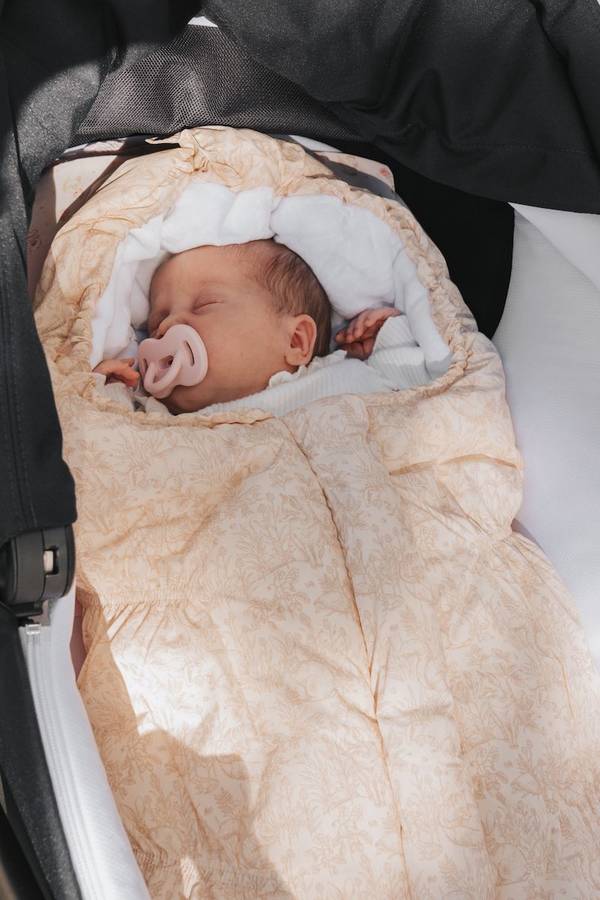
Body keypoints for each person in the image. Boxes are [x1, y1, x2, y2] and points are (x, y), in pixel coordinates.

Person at [94, 237, 423, 416]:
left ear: (295, 341)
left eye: (205, 305)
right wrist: (106, 391)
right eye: (156, 325)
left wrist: (388, 335)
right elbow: (114, 448)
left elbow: (421, 393)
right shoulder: (159, 419)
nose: (167, 327)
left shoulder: (347, 377)